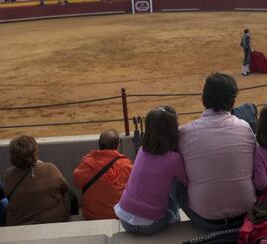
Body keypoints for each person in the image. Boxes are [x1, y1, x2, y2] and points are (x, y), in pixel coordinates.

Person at [179, 72, 256, 231]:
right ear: (233, 101)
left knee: (174, 175)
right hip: (245, 216)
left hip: (206, 220)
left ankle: (170, 221)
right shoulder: (245, 127)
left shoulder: (185, 133)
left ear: (203, 99)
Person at [115, 106, 187, 234]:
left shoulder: (143, 150)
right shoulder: (174, 159)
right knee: (175, 187)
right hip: (151, 224)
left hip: (125, 219)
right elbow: (186, 182)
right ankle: (176, 226)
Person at [3, 135, 70, 226]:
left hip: (18, 225)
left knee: (3, 203)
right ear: (34, 153)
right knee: (71, 195)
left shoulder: (8, 174)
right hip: (53, 221)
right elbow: (65, 188)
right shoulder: (49, 168)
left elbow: (8, 196)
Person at [73, 129, 132, 220]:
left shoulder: (87, 163)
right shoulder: (126, 164)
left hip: (92, 216)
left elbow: (77, 183)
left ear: (99, 143)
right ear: (117, 144)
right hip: (119, 215)